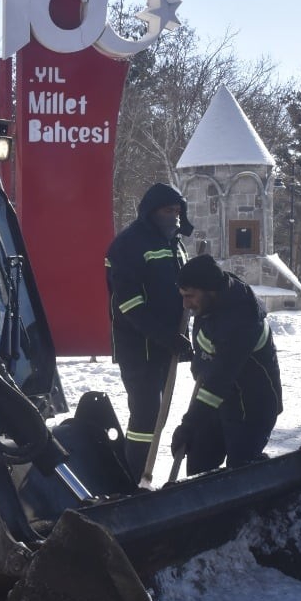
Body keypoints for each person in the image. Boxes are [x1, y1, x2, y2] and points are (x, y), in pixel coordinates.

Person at [105, 182, 194, 484]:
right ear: (152, 212)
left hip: (167, 343)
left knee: (156, 412)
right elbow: (129, 303)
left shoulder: (174, 244)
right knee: (145, 413)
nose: (175, 217)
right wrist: (164, 336)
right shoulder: (129, 244)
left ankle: (143, 476)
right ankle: (134, 479)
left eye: (178, 211)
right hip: (138, 345)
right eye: (169, 211)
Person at [170, 254, 283, 474]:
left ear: (210, 290)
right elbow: (209, 356)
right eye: (182, 296)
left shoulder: (242, 318)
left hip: (251, 408)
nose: (185, 304)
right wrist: (192, 356)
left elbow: (218, 380)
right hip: (220, 402)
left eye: (190, 296)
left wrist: (189, 424)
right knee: (198, 467)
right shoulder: (213, 300)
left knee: (239, 475)